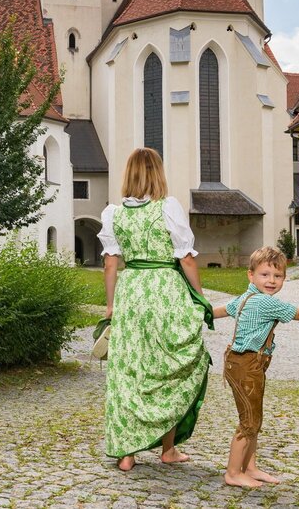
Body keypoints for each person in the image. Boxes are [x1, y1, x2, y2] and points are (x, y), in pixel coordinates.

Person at [99, 147, 213, 472]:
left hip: (131, 291)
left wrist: (111, 304)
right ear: (158, 173)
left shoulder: (113, 214)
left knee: (129, 370)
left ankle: (126, 453)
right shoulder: (168, 207)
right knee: (168, 368)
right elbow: (186, 258)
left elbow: (110, 264)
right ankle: (168, 449)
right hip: (165, 290)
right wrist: (200, 296)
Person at [216, 246, 299, 488]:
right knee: (249, 421)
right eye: (265, 275)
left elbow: (219, 310)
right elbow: (298, 313)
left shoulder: (245, 298)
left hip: (245, 364)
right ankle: (233, 472)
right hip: (246, 365)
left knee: (254, 417)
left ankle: (250, 468)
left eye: (278, 275)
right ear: (251, 275)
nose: (271, 280)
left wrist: (199, 313)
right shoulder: (264, 302)